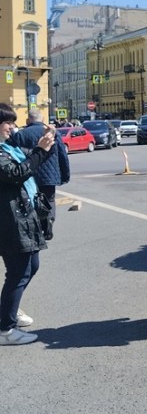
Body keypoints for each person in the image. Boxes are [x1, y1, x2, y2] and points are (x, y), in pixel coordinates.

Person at [0, 103, 56, 345]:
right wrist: (40, 151)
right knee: (19, 272)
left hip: (22, 215)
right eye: (8, 123)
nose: (12, 127)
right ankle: (6, 330)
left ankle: (9, 311)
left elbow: (29, 163)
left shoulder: (7, 146)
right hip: (10, 220)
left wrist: (46, 142)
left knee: (30, 267)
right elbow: (17, 173)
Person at [10, 109, 70, 238]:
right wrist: (65, 175)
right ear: (42, 120)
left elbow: (15, 156)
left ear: (28, 120)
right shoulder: (52, 133)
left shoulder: (21, 134)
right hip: (50, 175)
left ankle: (35, 228)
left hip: (30, 175)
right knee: (49, 200)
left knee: (31, 200)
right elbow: (62, 155)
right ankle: (48, 225)